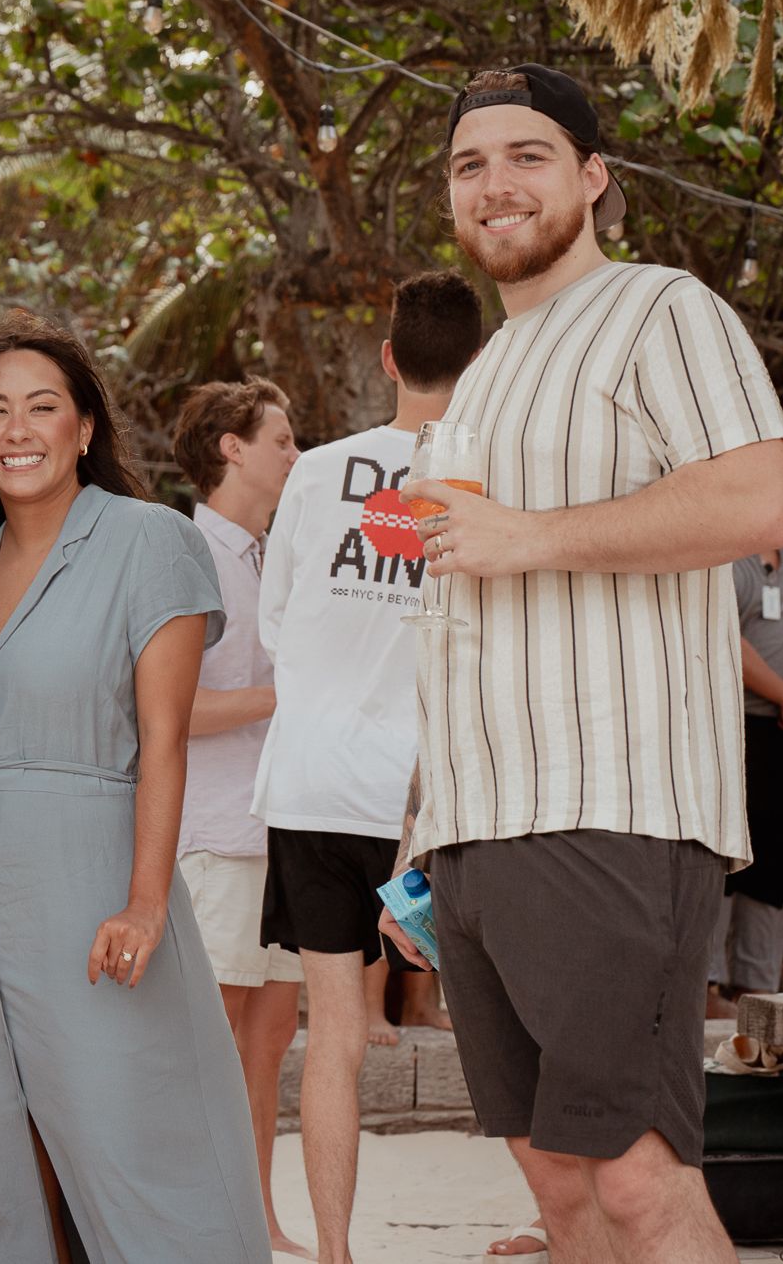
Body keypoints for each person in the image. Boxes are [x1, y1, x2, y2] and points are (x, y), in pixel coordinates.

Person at [386, 64, 783, 1264]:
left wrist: (531, 536)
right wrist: (425, 834)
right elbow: (458, 618)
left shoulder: (661, 308)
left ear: (592, 176)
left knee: (633, 1178)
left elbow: (755, 499)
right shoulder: (485, 371)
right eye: (469, 164)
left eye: (527, 156)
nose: (495, 184)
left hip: (609, 809)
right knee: (557, 1189)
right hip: (477, 831)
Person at [0, 308, 269, 1262]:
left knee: (129, 1141)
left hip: (88, 885)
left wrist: (145, 901)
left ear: (85, 425)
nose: (16, 430)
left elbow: (164, 739)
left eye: (41, 406)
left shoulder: (149, 541)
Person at [248, 269, 480, 1264]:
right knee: (500, 1018)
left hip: (310, 783)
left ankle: (335, 1251)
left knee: (334, 1034)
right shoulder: (490, 483)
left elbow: (274, 624)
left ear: (387, 357)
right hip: (424, 800)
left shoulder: (316, 471)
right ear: (480, 363)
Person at [169, 376, 309, 1258]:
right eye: (283, 441)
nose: (297, 455)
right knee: (208, 1041)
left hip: (283, 828)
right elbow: (171, 709)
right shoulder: (188, 554)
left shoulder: (274, 555)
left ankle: (255, 1222)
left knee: (270, 1040)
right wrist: (289, 694)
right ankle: (192, 1226)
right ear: (232, 447)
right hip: (216, 834)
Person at [707, 524, 783, 1011]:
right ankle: (707, 987)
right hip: (732, 727)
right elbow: (724, 636)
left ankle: (756, 983)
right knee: (721, 855)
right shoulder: (721, 554)